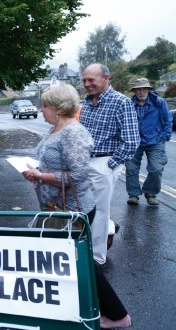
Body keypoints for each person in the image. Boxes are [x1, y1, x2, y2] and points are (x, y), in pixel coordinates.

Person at [22, 84, 132, 329]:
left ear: (60, 108)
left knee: (81, 261)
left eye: (46, 105)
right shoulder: (56, 128)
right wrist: (33, 172)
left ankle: (118, 316)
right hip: (57, 208)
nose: (41, 109)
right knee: (68, 259)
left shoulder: (73, 132)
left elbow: (78, 175)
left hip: (72, 210)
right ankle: (67, 304)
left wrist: (41, 176)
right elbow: (51, 163)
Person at [79, 63, 140, 265]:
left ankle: (96, 257)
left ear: (106, 78)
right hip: (84, 161)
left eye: (91, 80)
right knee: (83, 208)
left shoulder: (121, 102)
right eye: (84, 80)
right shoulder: (85, 103)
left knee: (99, 211)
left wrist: (110, 165)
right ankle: (104, 233)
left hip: (105, 161)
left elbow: (131, 141)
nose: (87, 84)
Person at [125, 78, 171, 206]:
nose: (141, 92)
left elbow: (168, 120)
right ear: (134, 91)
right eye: (138, 89)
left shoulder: (159, 102)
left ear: (149, 90)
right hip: (134, 141)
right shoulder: (129, 104)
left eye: (144, 89)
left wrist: (165, 136)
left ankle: (150, 193)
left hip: (155, 140)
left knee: (156, 169)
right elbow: (124, 122)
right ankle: (133, 194)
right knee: (131, 169)